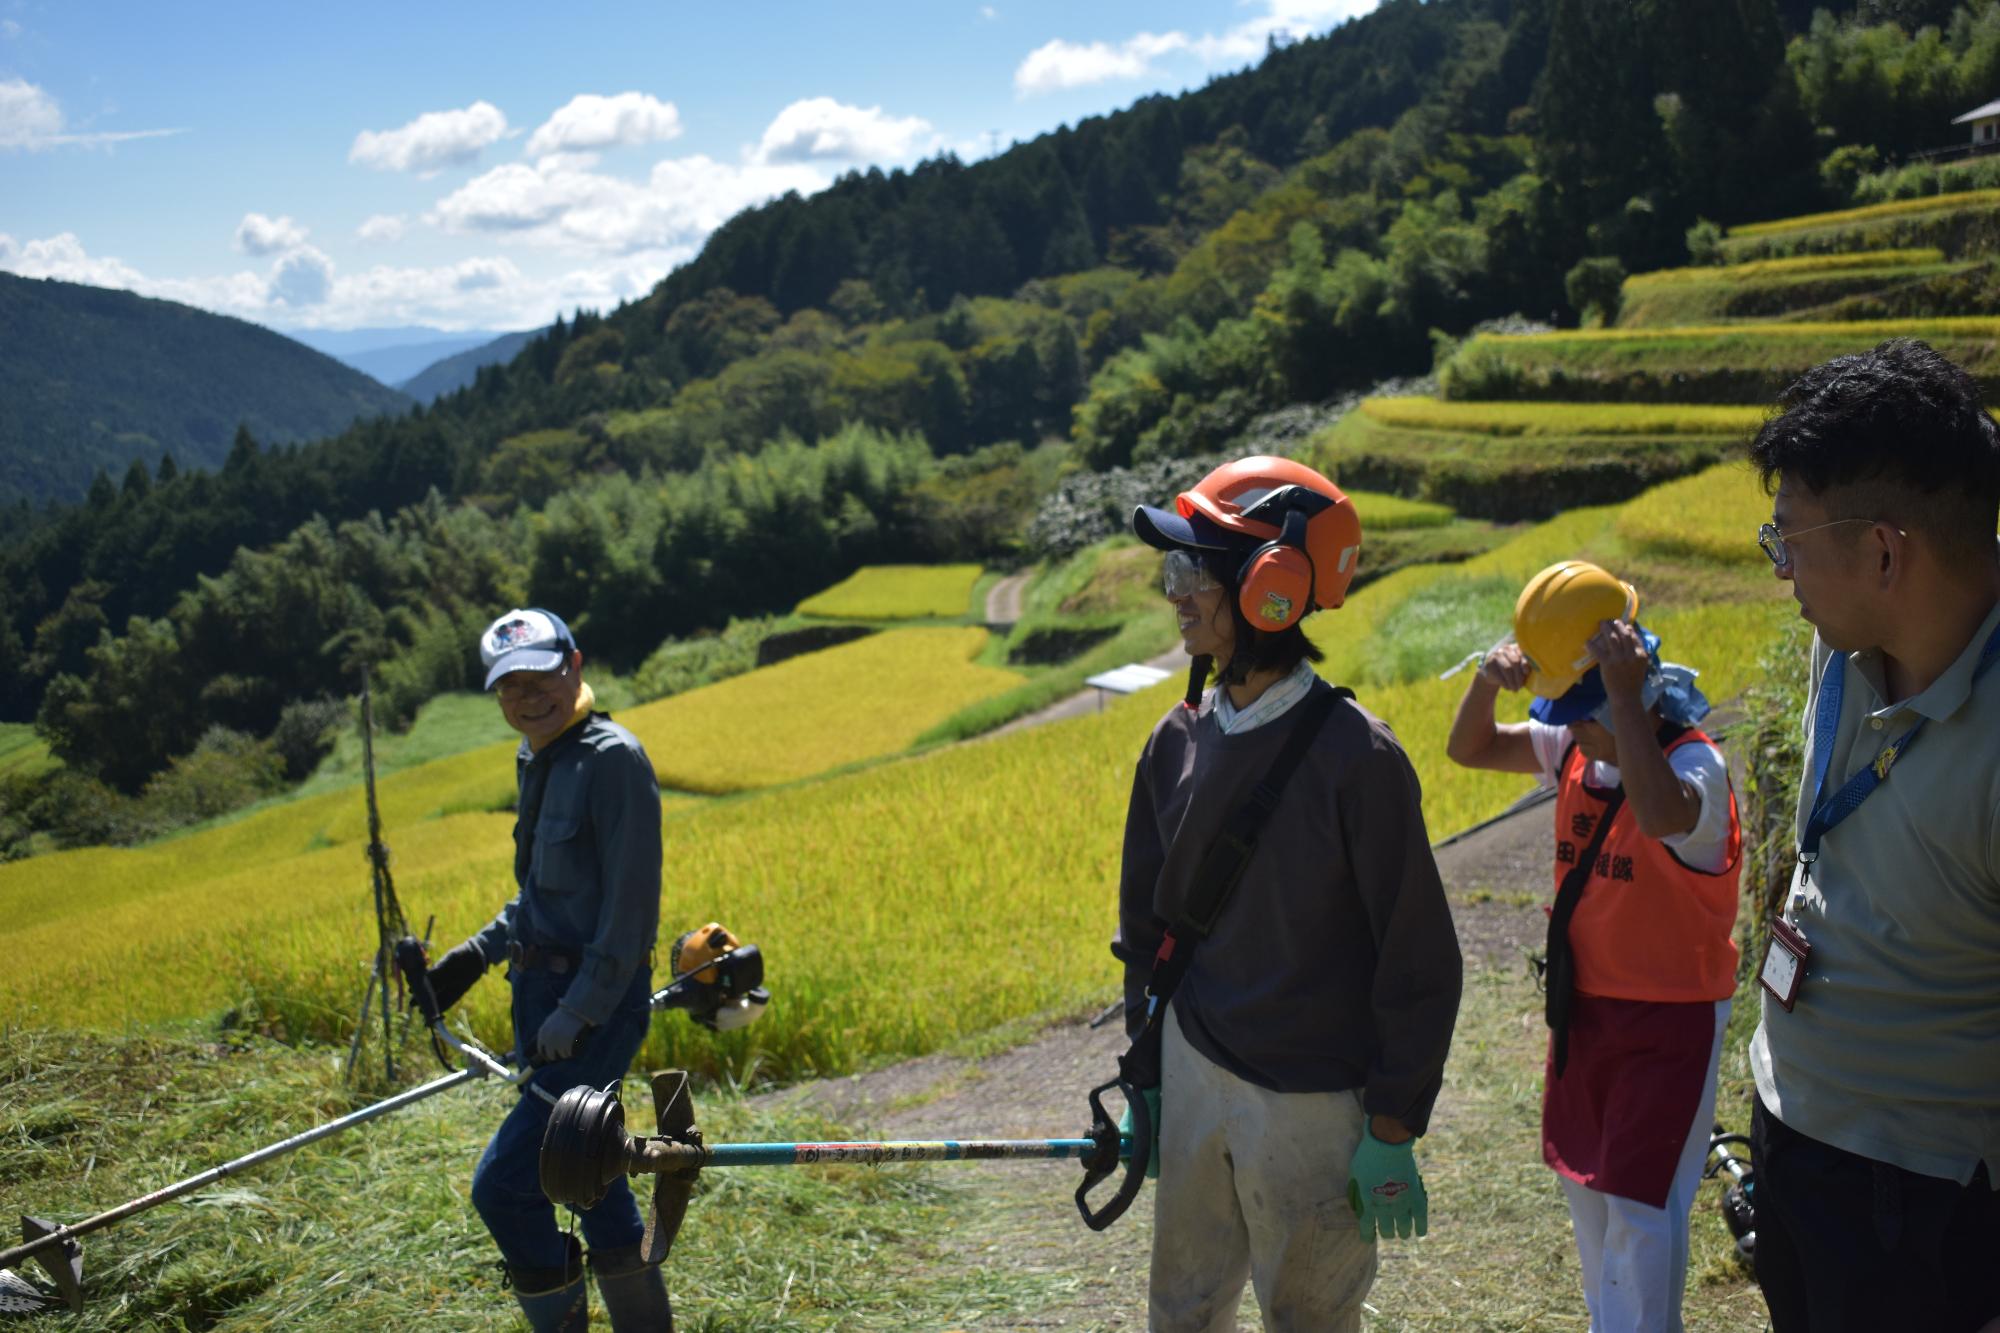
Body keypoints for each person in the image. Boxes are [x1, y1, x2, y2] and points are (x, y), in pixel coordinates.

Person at [1113, 456, 1463, 1333]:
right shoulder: (1175, 741)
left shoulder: (1358, 758)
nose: (1177, 593)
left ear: (1269, 585)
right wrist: (1145, 1071)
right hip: (1194, 1067)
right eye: (1174, 571)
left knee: (1309, 1316)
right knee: (1182, 1308)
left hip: (1310, 1102)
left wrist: (1393, 1122)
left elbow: (1418, 958)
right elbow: (1145, 927)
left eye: (1194, 571)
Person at [1743, 338, 2000, 1333]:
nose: (1781, 573)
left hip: (1916, 1198)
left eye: (1789, 543)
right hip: (1790, 1125)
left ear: (1885, 552)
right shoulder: (1846, 642)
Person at [1445, 560, 1740, 1333]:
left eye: (1583, 708)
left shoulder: (1692, 764)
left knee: (1641, 1208)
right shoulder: (1581, 746)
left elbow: (1659, 813)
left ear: (1632, 682)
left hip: (1669, 1020)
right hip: (1587, 1011)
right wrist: (1487, 680)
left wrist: (1617, 696)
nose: (1569, 725)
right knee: (1588, 1191)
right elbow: (1469, 748)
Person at [421, 607, 670, 1331]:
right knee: (588, 1171)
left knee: (505, 1187)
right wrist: (478, 951)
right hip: (541, 997)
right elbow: (540, 894)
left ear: (576, 665)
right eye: (510, 685)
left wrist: (580, 1011)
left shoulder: (611, 760)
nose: (528, 695)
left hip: (591, 1006)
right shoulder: (541, 756)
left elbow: (629, 913)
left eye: (542, 675)